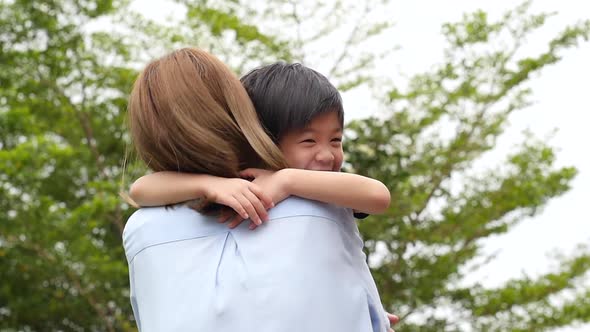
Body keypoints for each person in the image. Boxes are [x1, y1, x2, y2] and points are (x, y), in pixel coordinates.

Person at [123, 48, 395, 332]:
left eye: (336, 140)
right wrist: (211, 184)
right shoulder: (256, 190)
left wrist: (286, 179)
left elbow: (377, 195)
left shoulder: (313, 190)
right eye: (308, 141)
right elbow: (141, 188)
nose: (326, 156)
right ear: (261, 134)